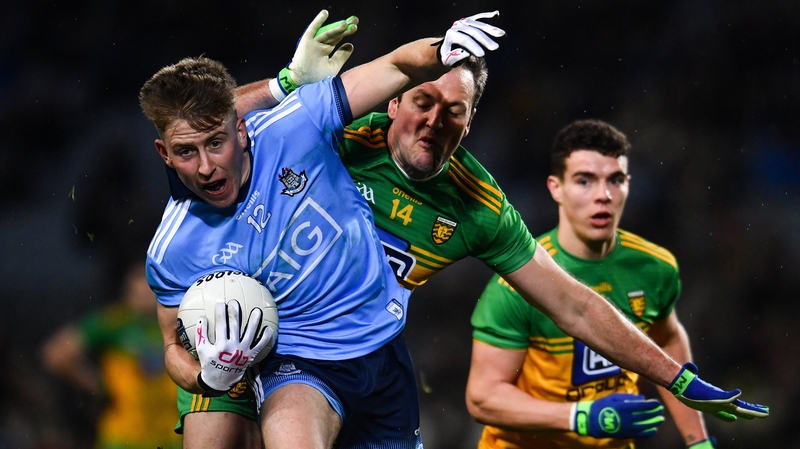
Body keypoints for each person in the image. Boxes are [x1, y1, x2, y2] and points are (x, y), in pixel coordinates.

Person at [230, 12, 767, 445]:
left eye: (454, 111)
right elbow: (208, 134)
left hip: (374, 365)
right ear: (392, 101)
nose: (434, 120)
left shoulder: (479, 207)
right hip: (282, 346)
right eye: (423, 101)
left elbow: (574, 305)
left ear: (469, 123)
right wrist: (286, 84)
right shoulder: (333, 133)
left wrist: (675, 376)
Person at [139, 9, 506, 449]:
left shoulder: (297, 124)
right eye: (185, 153)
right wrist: (206, 377)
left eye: (216, 144)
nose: (204, 167)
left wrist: (440, 51)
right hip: (260, 356)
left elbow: (396, 66)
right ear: (164, 154)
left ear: (241, 130)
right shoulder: (173, 248)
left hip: (359, 347)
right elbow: (171, 347)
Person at [464, 119, 733, 448]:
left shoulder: (654, 268)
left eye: (615, 180)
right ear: (556, 188)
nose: (603, 195)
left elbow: (665, 341)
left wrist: (698, 441)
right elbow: (483, 398)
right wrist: (580, 416)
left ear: (628, 185)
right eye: (584, 181)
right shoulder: (518, 283)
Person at [41, 263, 182, 449]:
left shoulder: (174, 322)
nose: (145, 293)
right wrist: (98, 386)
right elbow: (56, 354)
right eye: (140, 287)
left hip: (170, 436)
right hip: (122, 438)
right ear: (128, 290)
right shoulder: (114, 322)